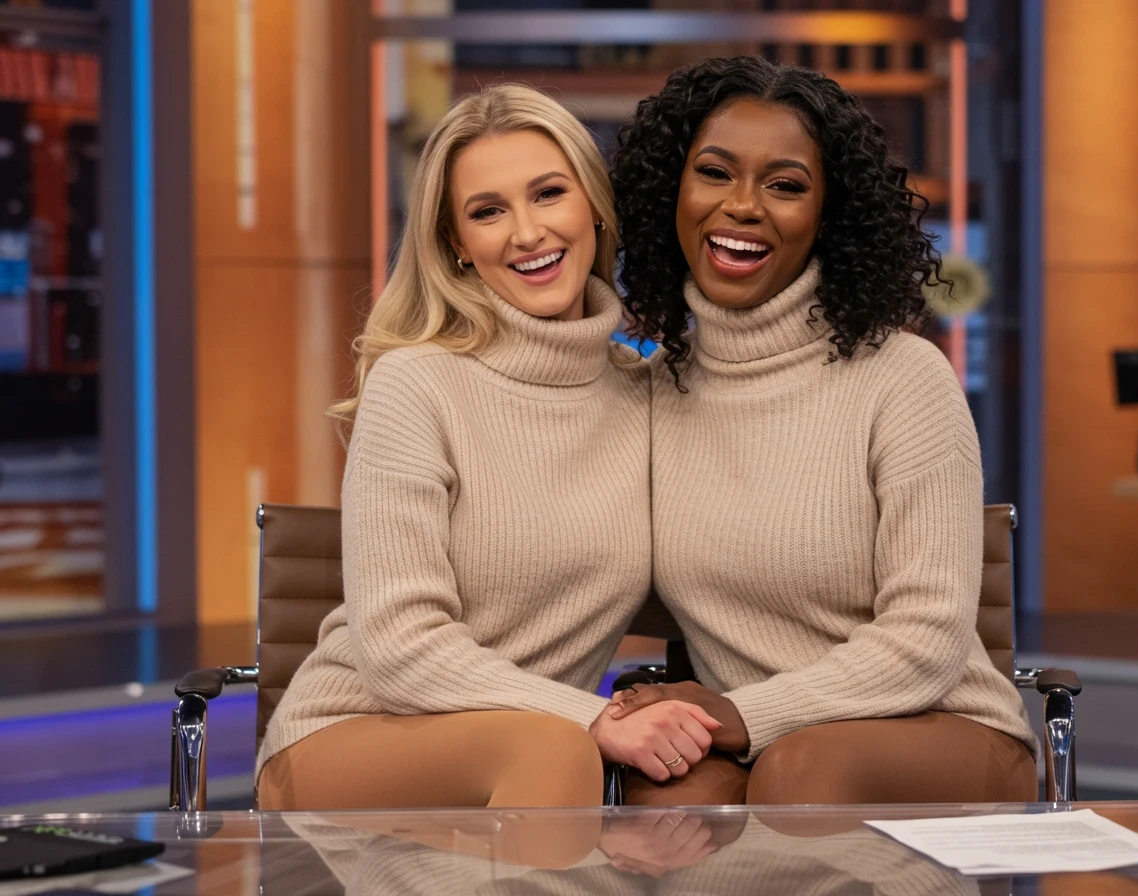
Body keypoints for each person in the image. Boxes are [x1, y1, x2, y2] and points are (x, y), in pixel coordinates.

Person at [255, 84, 719, 811]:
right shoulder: (418, 384)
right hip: (359, 736)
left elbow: (701, 572)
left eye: (547, 194)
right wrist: (590, 716)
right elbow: (399, 646)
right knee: (552, 750)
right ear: (456, 246)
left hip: (530, 761)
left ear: (594, 206)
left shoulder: (646, 392)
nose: (527, 232)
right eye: (487, 211)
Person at [606, 56, 1039, 806]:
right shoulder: (653, 392)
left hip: (936, 725)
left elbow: (928, 641)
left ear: (829, 215)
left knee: (803, 774)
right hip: (756, 743)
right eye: (715, 172)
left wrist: (747, 713)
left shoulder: (904, 379)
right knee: (667, 808)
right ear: (669, 193)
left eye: (785, 185)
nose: (742, 206)